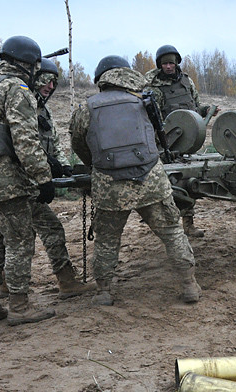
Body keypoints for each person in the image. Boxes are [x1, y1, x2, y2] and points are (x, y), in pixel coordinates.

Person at [70, 55, 201, 305]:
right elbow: (157, 134)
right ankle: (189, 285)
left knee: (107, 240)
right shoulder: (144, 101)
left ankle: (104, 292)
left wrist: (96, 165)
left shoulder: (87, 107)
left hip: (110, 185)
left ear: (101, 79)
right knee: (172, 232)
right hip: (150, 179)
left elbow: (79, 143)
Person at [0, 35, 56, 325]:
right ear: (29, 64)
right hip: (6, 180)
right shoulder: (16, 89)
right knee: (19, 241)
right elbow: (26, 140)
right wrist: (44, 179)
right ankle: (19, 306)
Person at [25, 57, 95, 299]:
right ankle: (66, 282)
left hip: (32, 182)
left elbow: (53, 144)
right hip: (25, 184)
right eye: (46, 81)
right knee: (51, 230)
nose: (50, 87)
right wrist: (45, 171)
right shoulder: (22, 106)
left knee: (11, 235)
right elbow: (25, 146)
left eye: (54, 83)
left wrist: (65, 168)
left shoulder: (43, 109)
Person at [144, 44, 217, 237]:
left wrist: (206, 111)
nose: (168, 67)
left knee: (187, 182)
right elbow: (149, 117)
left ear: (176, 63)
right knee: (167, 184)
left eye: (171, 63)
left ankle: (188, 224)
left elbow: (195, 108)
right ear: (159, 65)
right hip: (164, 142)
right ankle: (166, 225)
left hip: (187, 141)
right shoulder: (153, 87)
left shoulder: (187, 82)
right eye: (164, 63)